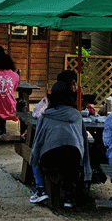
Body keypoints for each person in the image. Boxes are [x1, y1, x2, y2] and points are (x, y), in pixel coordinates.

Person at [29, 81, 91, 209]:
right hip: (74, 159)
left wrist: (33, 160)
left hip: (50, 159)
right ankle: (69, 196)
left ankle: (40, 189)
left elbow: (38, 142)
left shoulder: (45, 116)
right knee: (69, 157)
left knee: (36, 154)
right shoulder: (77, 115)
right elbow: (83, 141)